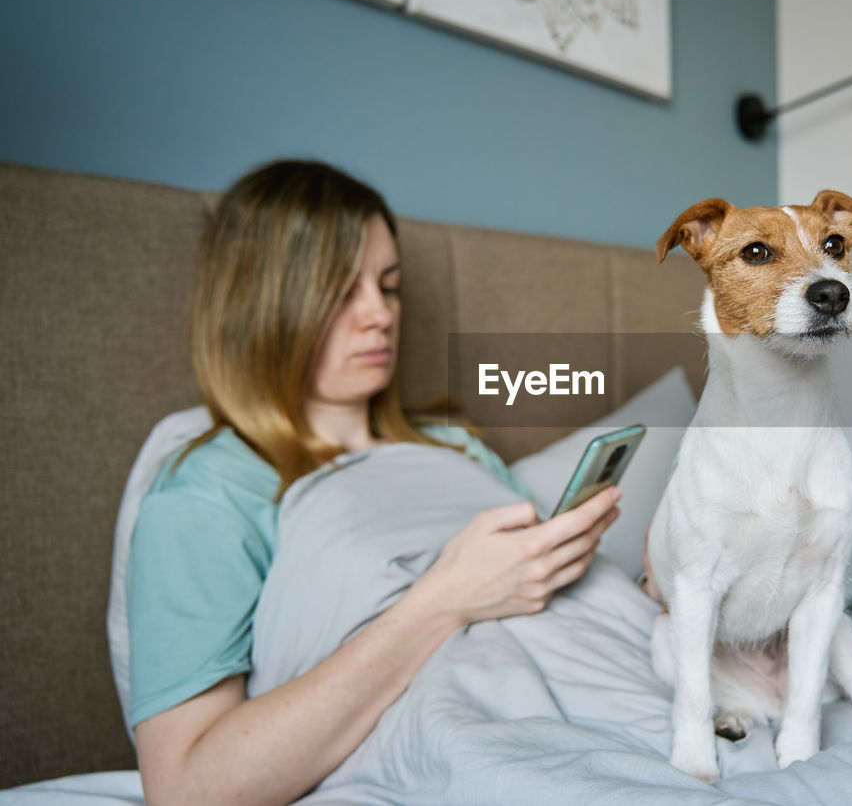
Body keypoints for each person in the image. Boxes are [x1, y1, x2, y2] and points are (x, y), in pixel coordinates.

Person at [126, 160, 621, 806]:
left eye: (388, 286)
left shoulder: (453, 445)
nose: (379, 315)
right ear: (260, 302)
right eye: (340, 290)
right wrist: (443, 599)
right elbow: (186, 786)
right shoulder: (212, 492)